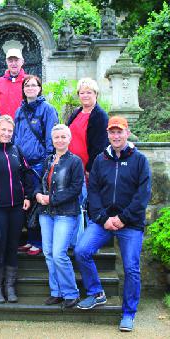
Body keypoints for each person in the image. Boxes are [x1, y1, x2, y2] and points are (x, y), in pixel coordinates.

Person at [75, 116, 151, 332]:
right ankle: (96, 293)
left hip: (131, 223)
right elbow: (94, 192)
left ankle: (128, 313)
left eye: (120, 132)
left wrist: (123, 218)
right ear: (108, 135)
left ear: (127, 133)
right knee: (81, 250)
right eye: (112, 132)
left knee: (131, 268)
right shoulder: (101, 159)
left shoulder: (139, 160)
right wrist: (103, 218)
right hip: (104, 221)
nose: (116, 136)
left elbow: (142, 195)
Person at [0, 115, 34, 303]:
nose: (6, 133)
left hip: (17, 206)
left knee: (12, 245)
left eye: (10, 131)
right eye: (3, 130)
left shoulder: (16, 150)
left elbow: (26, 173)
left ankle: (10, 286)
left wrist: (27, 196)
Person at [35, 124, 84, 308]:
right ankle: (56, 292)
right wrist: (38, 194)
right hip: (45, 213)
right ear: (52, 140)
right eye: (57, 137)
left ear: (69, 139)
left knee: (59, 254)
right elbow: (38, 182)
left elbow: (75, 189)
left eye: (63, 137)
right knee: (48, 253)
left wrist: (51, 199)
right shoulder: (47, 160)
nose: (60, 140)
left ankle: (71, 292)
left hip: (65, 213)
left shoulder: (75, 161)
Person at [14, 75, 59, 256]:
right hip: (23, 163)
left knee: (38, 202)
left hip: (40, 163)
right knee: (26, 201)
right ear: (23, 89)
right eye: (27, 85)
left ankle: (38, 241)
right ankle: (30, 239)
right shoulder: (19, 111)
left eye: (34, 85)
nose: (30, 88)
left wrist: (48, 160)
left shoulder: (47, 109)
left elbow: (51, 135)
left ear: (40, 88)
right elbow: (17, 136)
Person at [67, 77, 109, 178]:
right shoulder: (76, 113)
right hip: (71, 165)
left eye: (89, 92)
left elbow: (100, 146)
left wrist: (90, 169)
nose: (85, 95)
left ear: (96, 94)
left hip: (87, 169)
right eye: (82, 93)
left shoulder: (100, 116)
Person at [0, 48, 27, 119]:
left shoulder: (28, 81)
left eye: (16, 60)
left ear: (22, 62)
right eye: (10, 61)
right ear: (6, 62)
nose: (13, 63)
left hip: (24, 124)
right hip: (5, 126)